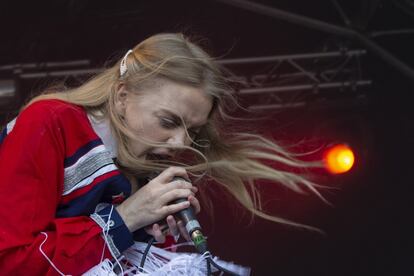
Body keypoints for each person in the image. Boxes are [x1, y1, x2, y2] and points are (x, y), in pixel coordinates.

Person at [0, 33, 324, 275]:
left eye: (193, 131)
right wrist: (125, 219)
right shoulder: (50, 122)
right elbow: (11, 261)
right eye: (169, 121)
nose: (180, 143)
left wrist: (152, 240)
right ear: (122, 95)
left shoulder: (145, 159)